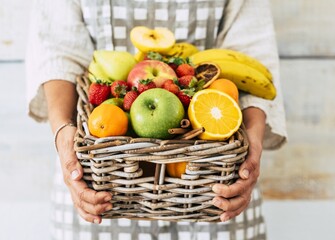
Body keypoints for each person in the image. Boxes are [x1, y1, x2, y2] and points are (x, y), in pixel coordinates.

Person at [26, 0, 287, 239]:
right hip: (98, 184)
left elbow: (253, 50)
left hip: (213, 189)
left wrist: (252, 141)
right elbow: (57, 48)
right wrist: (63, 132)